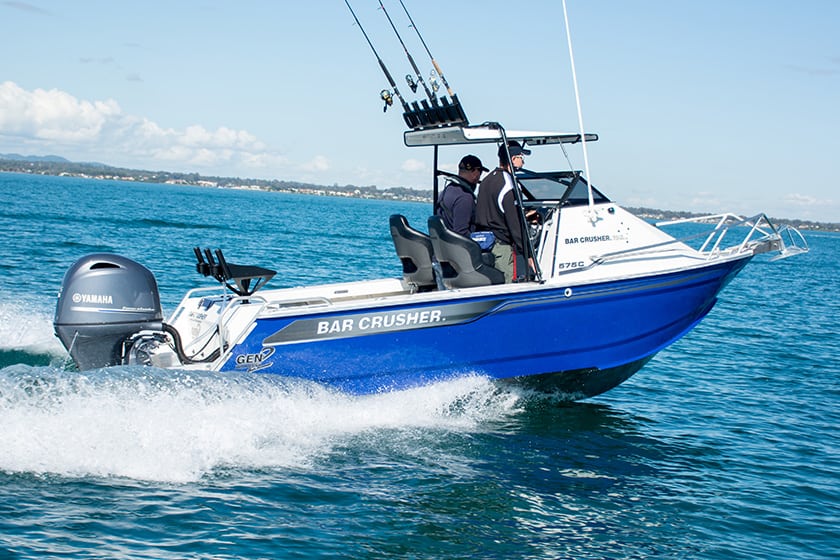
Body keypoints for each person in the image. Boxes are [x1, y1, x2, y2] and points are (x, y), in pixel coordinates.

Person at [474, 140, 534, 282]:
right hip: (501, 247)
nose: (523, 163)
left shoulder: (486, 180)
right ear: (513, 159)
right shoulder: (508, 184)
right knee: (508, 285)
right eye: (521, 158)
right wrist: (529, 255)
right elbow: (515, 225)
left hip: (483, 244)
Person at [434, 154, 487, 236]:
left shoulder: (447, 190)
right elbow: (461, 233)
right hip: (459, 247)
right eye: (480, 172)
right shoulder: (465, 197)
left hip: (445, 244)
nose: (479, 177)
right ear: (475, 172)